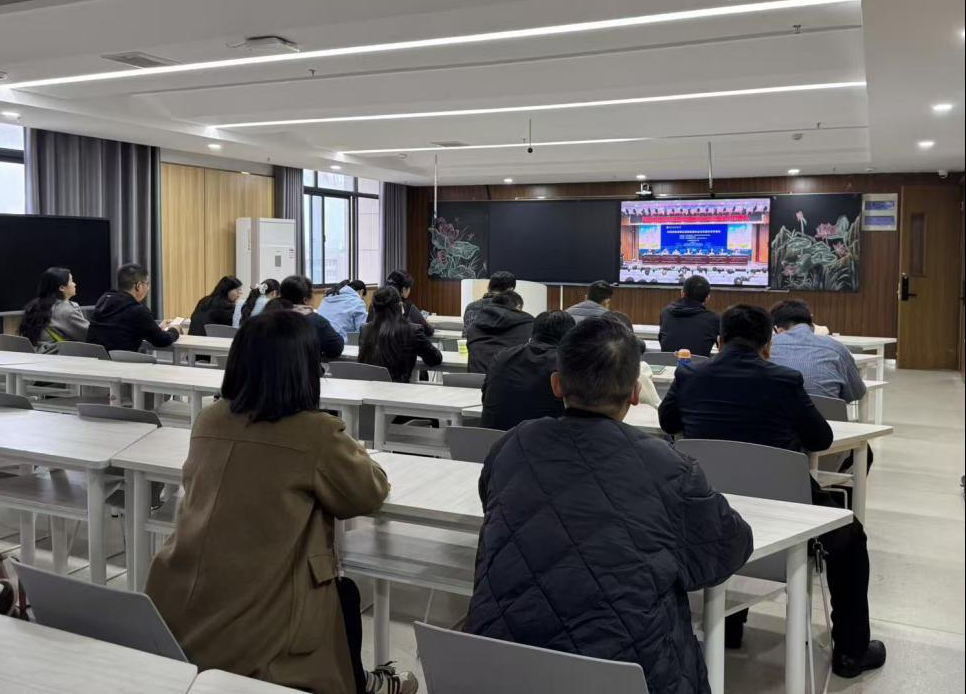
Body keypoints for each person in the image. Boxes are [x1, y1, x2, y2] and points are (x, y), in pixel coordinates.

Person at [466, 315, 753, 694]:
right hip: (631, 673)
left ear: (557, 384)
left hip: (495, 667)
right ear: (635, 392)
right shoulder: (670, 466)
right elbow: (726, 551)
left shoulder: (512, 445)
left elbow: (492, 506)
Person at [145, 311, 416, 694]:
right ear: (304, 368)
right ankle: (362, 684)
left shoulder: (209, 420)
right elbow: (367, 492)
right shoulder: (315, 432)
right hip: (265, 625)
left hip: (181, 603)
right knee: (343, 593)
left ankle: (360, 680)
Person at [657, 304, 886, 679]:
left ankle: (730, 627)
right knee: (851, 538)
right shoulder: (785, 380)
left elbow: (668, 421)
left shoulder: (690, 374)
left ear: (719, 341)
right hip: (784, 506)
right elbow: (820, 438)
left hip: (708, 503)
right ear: (768, 345)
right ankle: (850, 652)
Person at [480, 310, 575, 430]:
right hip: (539, 439)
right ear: (570, 338)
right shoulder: (565, 365)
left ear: (533, 332)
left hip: (490, 438)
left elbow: (485, 399)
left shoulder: (501, 357)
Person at [769, 299, 866, 403]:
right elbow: (858, 392)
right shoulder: (836, 348)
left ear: (776, 328)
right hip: (826, 413)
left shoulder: (765, 347)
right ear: (811, 322)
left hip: (774, 411)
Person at [86, 263, 181, 354]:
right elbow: (162, 341)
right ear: (138, 286)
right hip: (120, 363)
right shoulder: (138, 310)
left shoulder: (104, 300)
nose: (148, 288)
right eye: (147, 284)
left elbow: (118, 329)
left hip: (93, 360)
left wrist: (157, 328)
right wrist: (174, 329)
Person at [359, 286, 441, 383]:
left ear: (374, 308)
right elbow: (435, 359)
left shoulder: (365, 330)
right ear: (400, 305)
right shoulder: (412, 331)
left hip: (368, 388)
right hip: (398, 389)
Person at [465, 290, 533, 374]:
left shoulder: (474, 327)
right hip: (509, 380)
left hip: (476, 379)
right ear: (518, 307)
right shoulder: (527, 326)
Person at [18, 267, 89, 347]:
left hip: (38, 353)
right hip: (61, 354)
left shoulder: (34, 306)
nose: (74, 284)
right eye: (71, 281)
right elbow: (91, 336)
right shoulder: (67, 311)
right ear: (62, 288)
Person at [279, 275, 344, 360]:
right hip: (304, 367)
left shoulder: (270, 317)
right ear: (305, 300)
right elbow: (336, 348)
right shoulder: (316, 321)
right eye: (313, 292)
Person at [658, 275, 719, 357]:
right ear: (707, 298)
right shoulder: (714, 319)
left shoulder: (666, 313)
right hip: (699, 365)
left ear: (682, 293)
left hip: (668, 364)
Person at [462, 270, 516, 336]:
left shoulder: (470, 307)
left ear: (489, 287)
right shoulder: (510, 310)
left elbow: (466, 336)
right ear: (510, 289)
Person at [385, 269, 434, 337]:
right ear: (404, 289)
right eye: (409, 288)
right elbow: (428, 330)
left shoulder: (375, 304)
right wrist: (430, 325)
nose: (409, 291)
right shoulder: (407, 306)